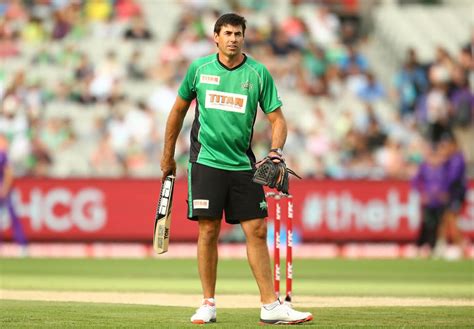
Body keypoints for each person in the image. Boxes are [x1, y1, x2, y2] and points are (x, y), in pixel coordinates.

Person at [160, 13, 313, 325]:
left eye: (238, 34)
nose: (233, 38)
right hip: (205, 162)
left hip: (243, 163)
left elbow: (278, 119)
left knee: (256, 230)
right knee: (208, 229)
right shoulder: (199, 69)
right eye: (227, 33)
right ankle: (208, 303)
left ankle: (270, 307)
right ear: (216, 37)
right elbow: (177, 111)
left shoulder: (258, 73)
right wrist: (168, 156)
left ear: (244, 37)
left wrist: (275, 151)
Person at [411, 143, 448, 256]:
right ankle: (420, 246)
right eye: (433, 156)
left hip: (439, 202)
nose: (435, 159)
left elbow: (447, 183)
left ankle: (433, 247)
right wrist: (422, 194)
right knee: (427, 224)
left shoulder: (443, 168)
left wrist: (445, 193)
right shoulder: (424, 168)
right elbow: (415, 182)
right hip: (428, 202)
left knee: (438, 224)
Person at [435, 132, 468, 259]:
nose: (445, 148)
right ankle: (441, 246)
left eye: (447, 145)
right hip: (452, 194)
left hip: (455, 194)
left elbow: (452, 178)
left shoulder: (457, 159)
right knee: (444, 220)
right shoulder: (451, 159)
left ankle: (461, 248)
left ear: (453, 145)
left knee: (451, 220)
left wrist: (444, 191)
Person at [0, 135, 28, 255]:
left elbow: (8, 173)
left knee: (13, 216)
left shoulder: (3, 155)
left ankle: (22, 245)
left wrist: (4, 188)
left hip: (4, 189)